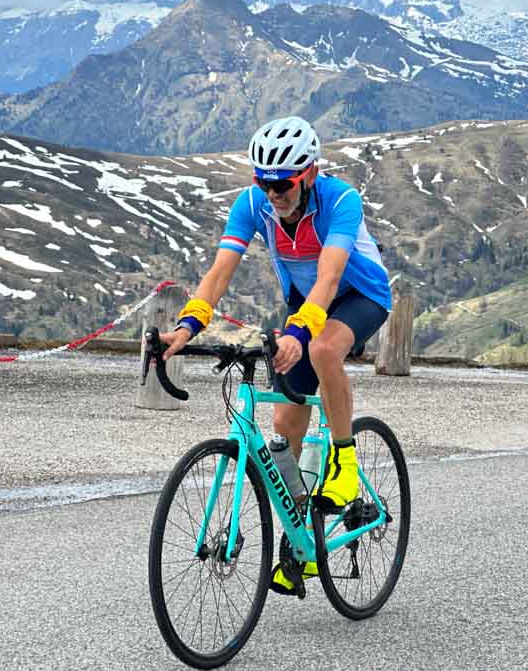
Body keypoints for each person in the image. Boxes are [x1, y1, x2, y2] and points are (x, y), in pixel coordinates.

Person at [159, 115, 392, 594]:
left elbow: (329, 279)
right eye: (263, 182)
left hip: (360, 296)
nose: (273, 193)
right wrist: (188, 324)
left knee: (325, 347)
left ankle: (344, 465)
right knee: (285, 426)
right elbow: (221, 271)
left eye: (282, 183)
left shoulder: (340, 200)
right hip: (305, 304)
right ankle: (305, 535)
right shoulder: (252, 205)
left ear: (308, 173)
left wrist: (299, 333)